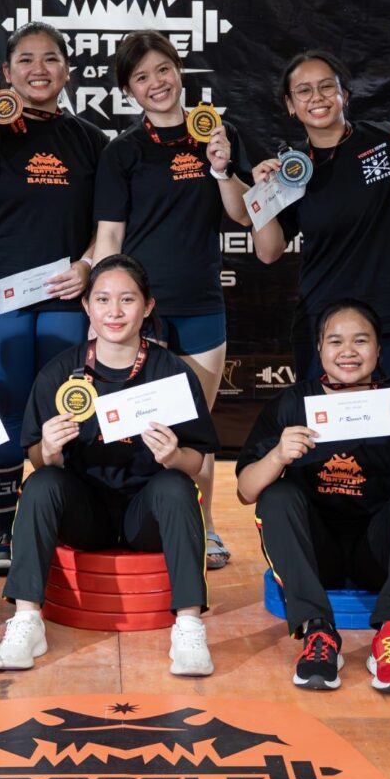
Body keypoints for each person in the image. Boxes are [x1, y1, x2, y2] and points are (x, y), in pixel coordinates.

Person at [0, 254, 219, 677]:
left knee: (177, 485)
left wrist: (173, 456)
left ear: (147, 307)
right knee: (41, 484)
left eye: (127, 300)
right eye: (103, 299)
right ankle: (26, 620)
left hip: (146, 514)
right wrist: (50, 450)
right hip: (86, 513)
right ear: (86, 306)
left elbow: (195, 459)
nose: (114, 311)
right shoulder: (61, 372)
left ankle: (188, 625)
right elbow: (37, 459)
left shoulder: (172, 373)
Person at [235, 299, 390, 694]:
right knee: (276, 495)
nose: (348, 351)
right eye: (335, 341)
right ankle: (318, 632)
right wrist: (277, 456)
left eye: (361, 340)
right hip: (316, 555)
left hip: (379, 555)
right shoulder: (292, 404)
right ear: (319, 348)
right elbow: (246, 491)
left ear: (378, 348)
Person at [0, 21, 107, 576]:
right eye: (26, 60)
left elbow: (109, 224)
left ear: (68, 70)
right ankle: (8, 528)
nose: (39, 69)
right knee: (5, 410)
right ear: (6, 72)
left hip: (66, 298)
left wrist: (87, 265)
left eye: (51, 58)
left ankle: (67, 518)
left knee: (66, 409)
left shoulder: (91, 140)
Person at [93, 30, 250, 569]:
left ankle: (205, 528)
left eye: (163, 69)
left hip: (202, 304)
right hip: (141, 313)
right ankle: (144, 522)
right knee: (142, 426)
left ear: (179, 71)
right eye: (141, 77)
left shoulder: (219, 134)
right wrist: (103, 313)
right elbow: (109, 237)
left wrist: (222, 168)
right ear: (128, 91)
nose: (155, 83)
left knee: (196, 428)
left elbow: (243, 215)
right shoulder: (122, 152)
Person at [250, 49, 390, 382]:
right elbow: (268, 252)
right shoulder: (290, 171)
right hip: (323, 321)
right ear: (290, 104)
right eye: (304, 90)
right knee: (324, 416)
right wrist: (262, 194)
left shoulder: (385, 140)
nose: (317, 97)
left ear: (344, 94)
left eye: (327, 86)